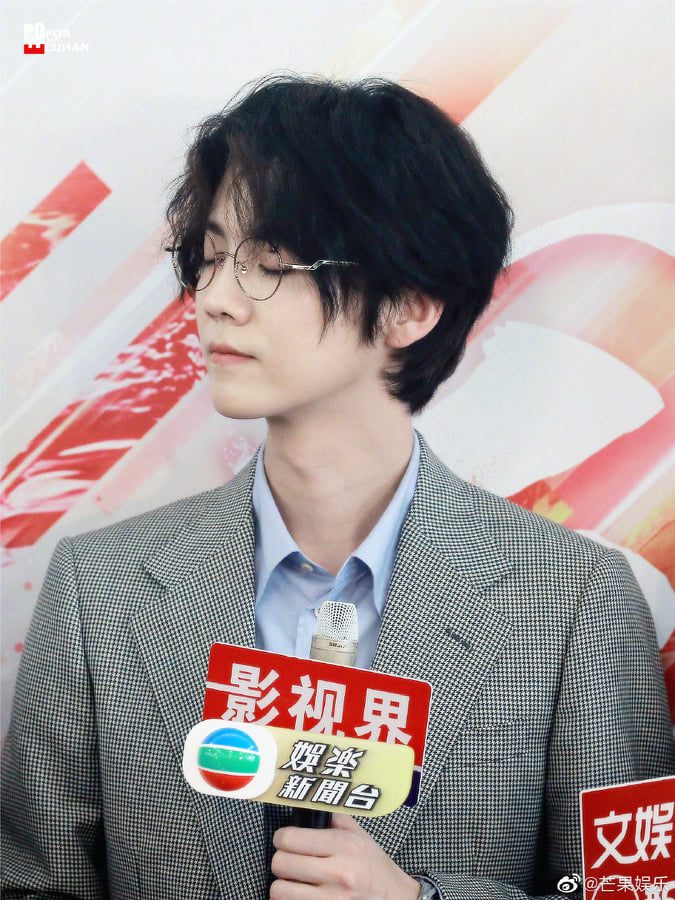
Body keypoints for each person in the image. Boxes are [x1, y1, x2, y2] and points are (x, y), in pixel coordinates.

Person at [1, 74, 673, 900]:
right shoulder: (97, 587)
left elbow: (637, 888)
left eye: (270, 263)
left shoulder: (574, 600)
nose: (214, 301)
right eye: (210, 257)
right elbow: (30, 884)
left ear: (409, 306)